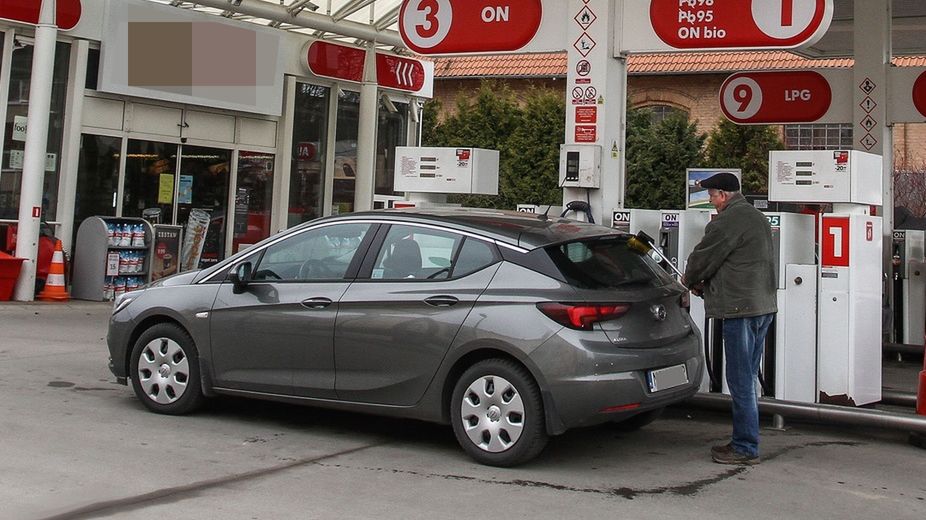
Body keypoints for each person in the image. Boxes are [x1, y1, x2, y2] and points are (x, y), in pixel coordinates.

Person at [683, 172, 777, 465]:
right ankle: (745, 440)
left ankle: (746, 446)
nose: (711, 202)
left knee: (739, 380)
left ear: (723, 195)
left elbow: (703, 258)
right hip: (762, 306)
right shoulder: (757, 218)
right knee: (747, 378)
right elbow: (736, 263)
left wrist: (687, 283)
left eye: (712, 196)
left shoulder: (727, 221)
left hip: (740, 310)